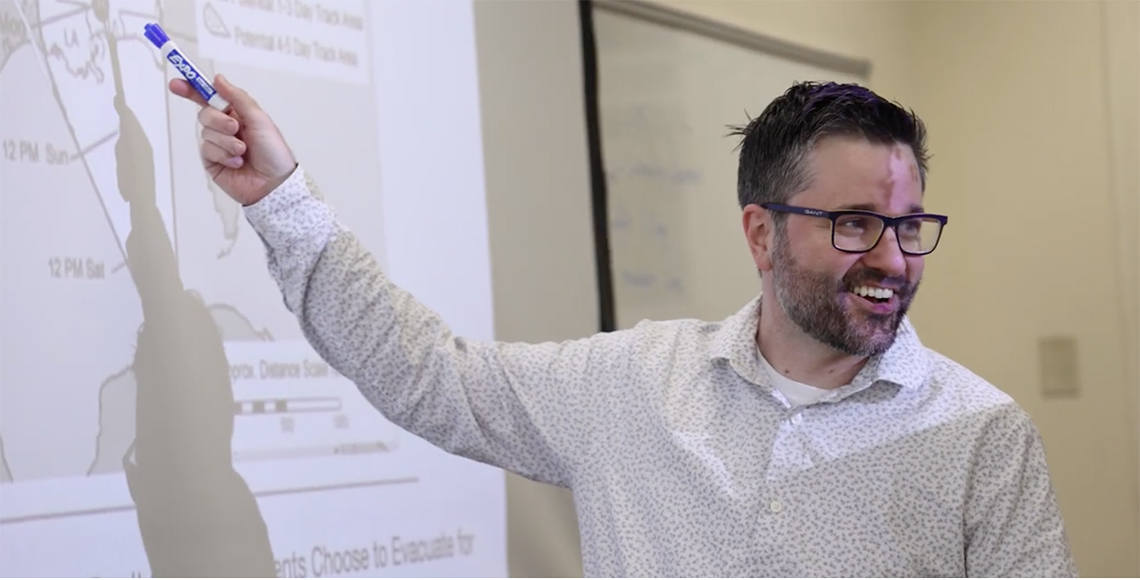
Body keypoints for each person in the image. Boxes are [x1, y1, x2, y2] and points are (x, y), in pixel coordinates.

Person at [172, 76, 1077, 577]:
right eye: (853, 224)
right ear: (761, 233)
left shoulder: (981, 438)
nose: (892, 259)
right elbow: (427, 375)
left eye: (909, 226)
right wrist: (282, 202)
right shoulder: (635, 384)